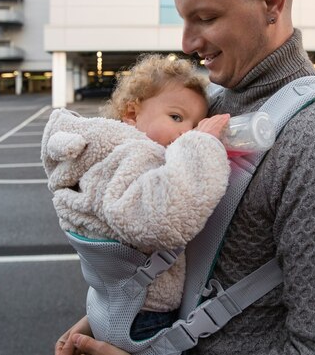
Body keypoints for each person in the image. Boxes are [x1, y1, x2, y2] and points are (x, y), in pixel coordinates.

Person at [55, 0, 315, 354]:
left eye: (206, 17)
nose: (188, 42)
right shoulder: (205, 104)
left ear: (271, 0)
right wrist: (114, 319)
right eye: (184, 20)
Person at [43, 54, 231, 348]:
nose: (186, 133)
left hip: (111, 304)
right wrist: (201, 145)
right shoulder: (136, 157)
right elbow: (162, 217)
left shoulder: (101, 153)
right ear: (132, 113)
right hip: (144, 316)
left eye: (194, 126)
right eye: (176, 117)